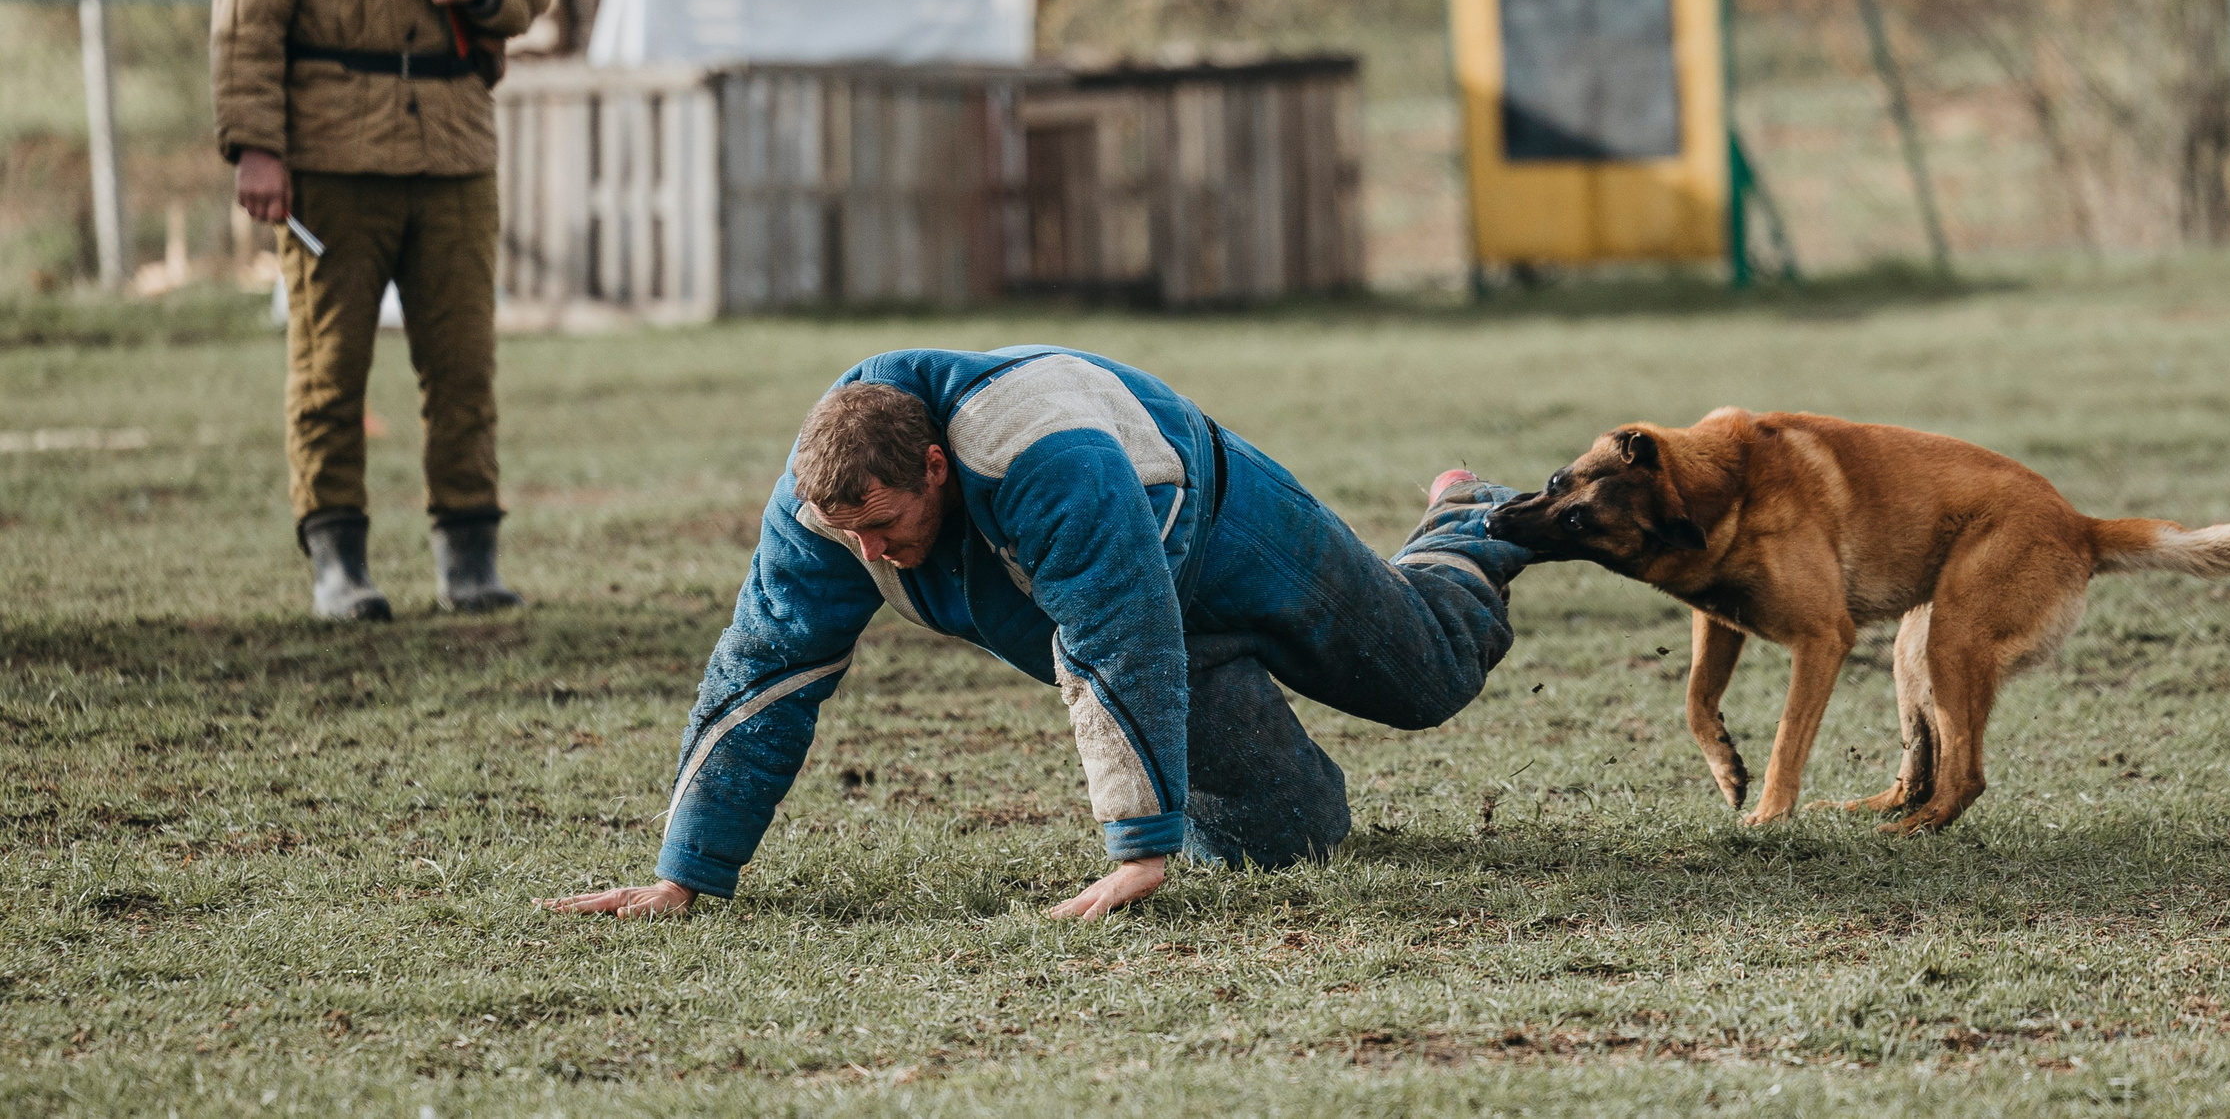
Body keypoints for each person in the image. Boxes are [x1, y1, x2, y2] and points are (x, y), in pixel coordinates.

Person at [542, 347, 1530, 920]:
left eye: (885, 523)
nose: (874, 551)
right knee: (1294, 837)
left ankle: (1464, 521)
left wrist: (1137, 846)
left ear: (935, 465)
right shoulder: (825, 516)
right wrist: (688, 871)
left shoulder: (1042, 458)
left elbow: (1114, 630)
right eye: (854, 535)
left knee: (1429, 678)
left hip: (1227, 527)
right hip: (1146, 621)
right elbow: (762, 673)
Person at [210, 0, 553, 621]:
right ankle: (339, 563)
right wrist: (256, 148)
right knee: (330, 368)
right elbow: (245, 21)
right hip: (330, 160)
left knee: (464, 367)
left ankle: (468, 558)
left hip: (450, 152)